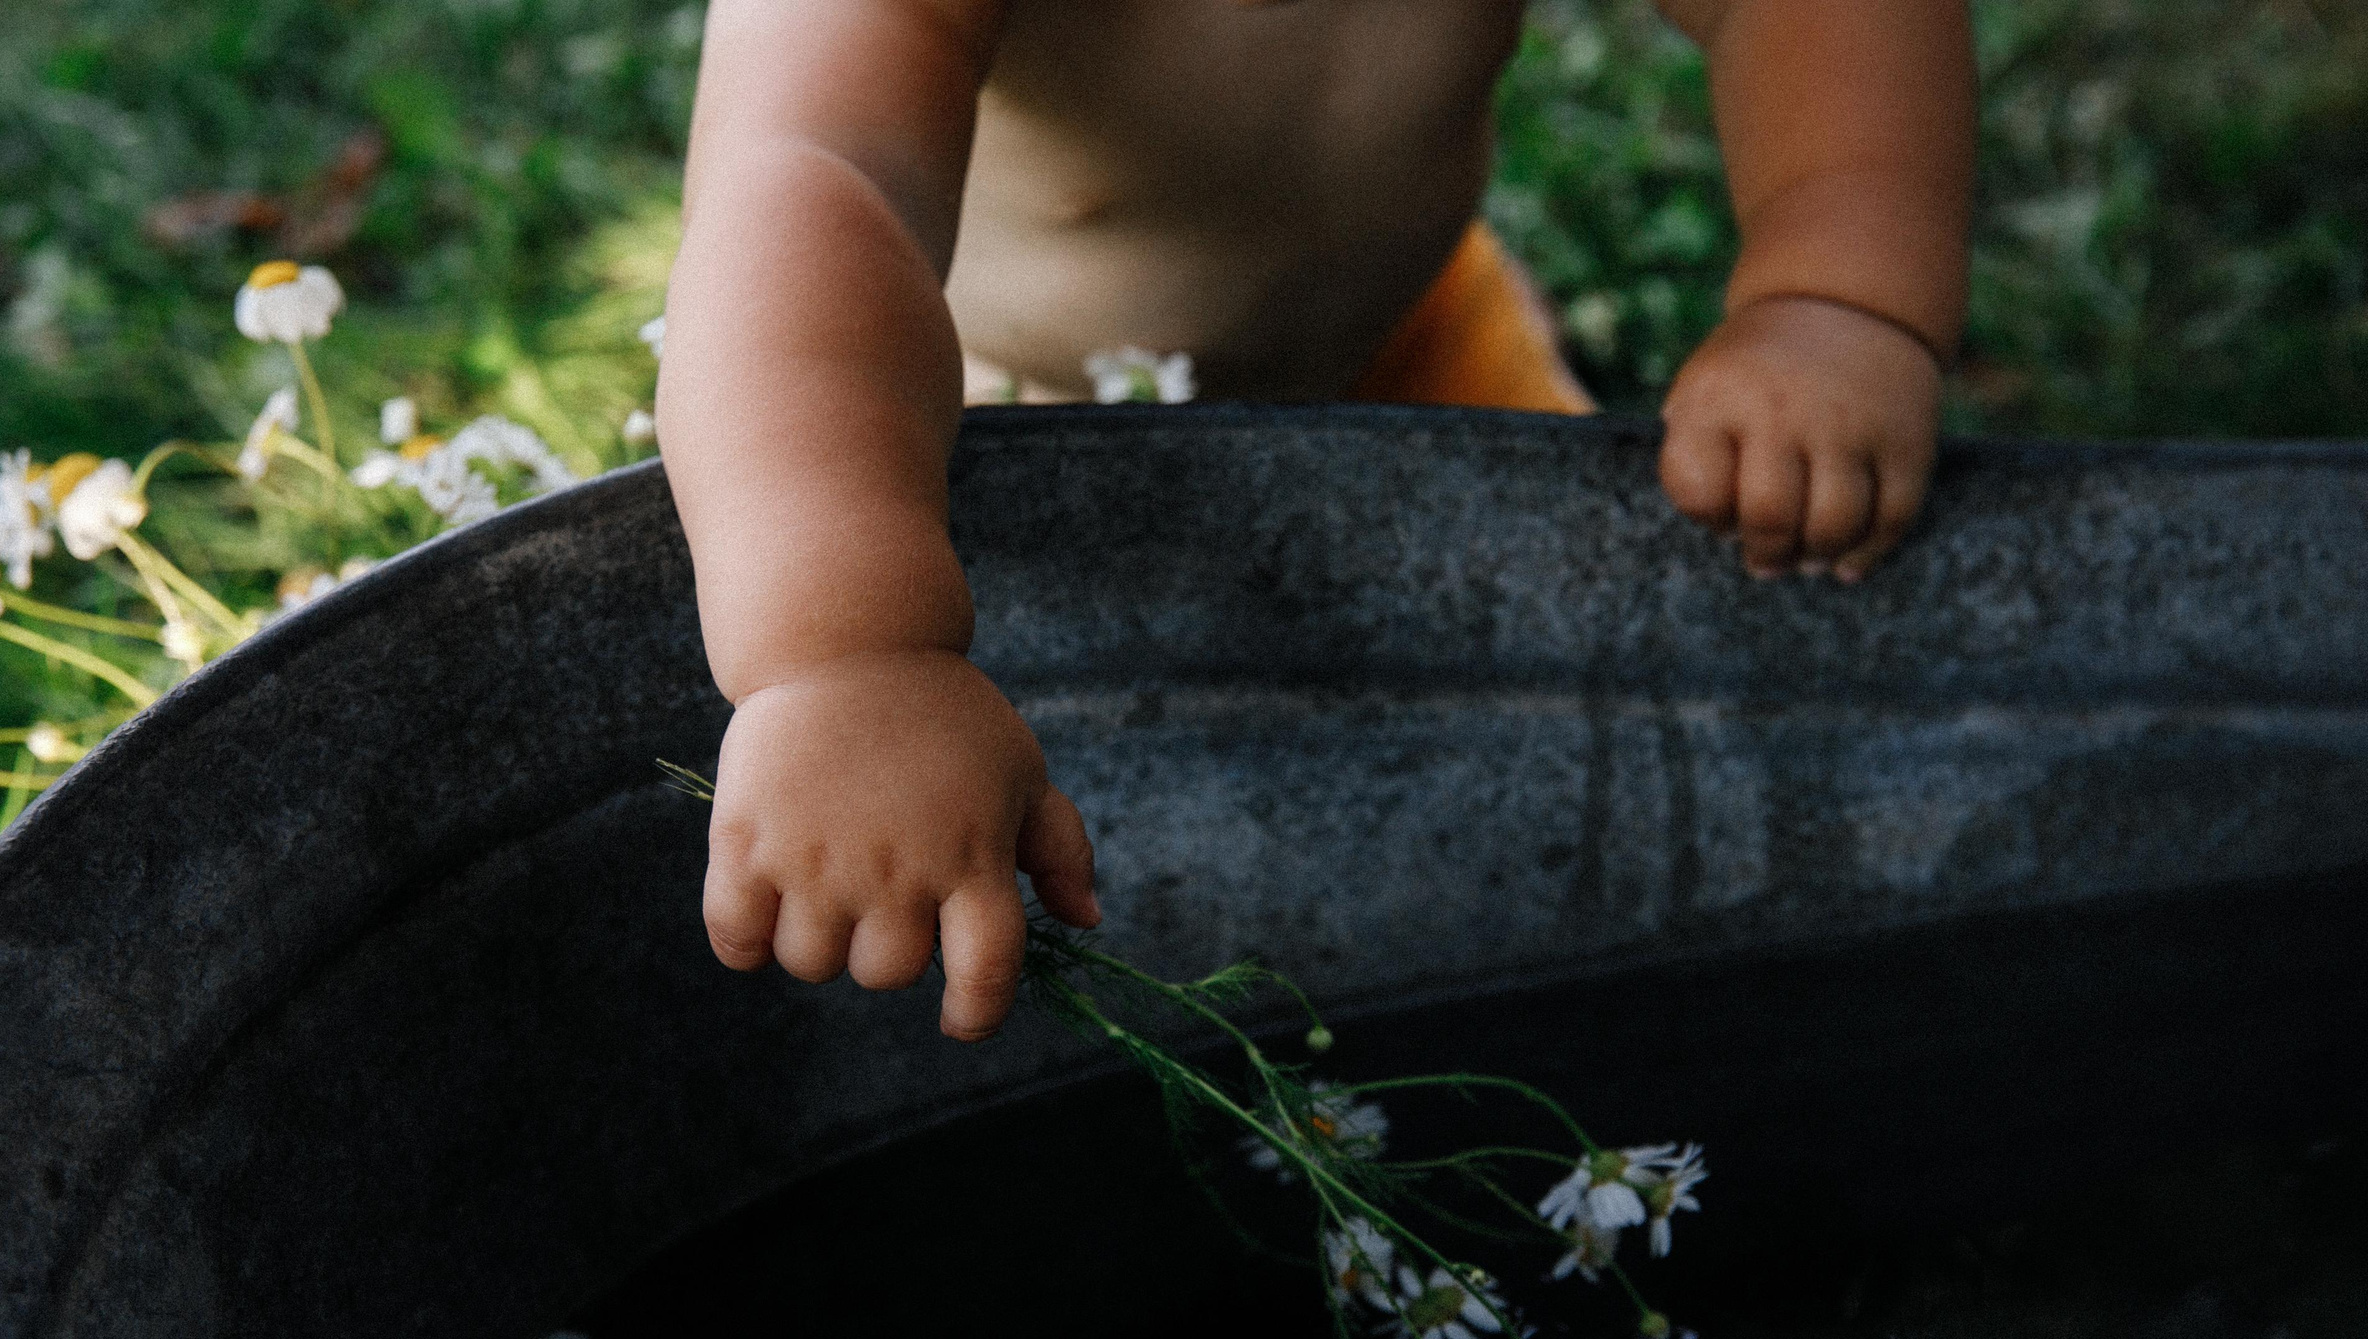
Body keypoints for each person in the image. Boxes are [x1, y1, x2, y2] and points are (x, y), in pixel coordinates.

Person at [656, 0, 1975, 1043]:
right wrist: (849, 645)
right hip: (1008, 443)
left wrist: (1833, 302)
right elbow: (812, 184)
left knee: (1596, 709)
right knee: (1152, 853)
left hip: (1408, 346)